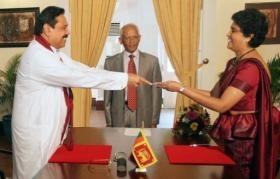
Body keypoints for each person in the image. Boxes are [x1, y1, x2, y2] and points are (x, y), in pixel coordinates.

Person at [12, 6, 150, 179]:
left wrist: (125, 77)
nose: (68, 32)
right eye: (64, 28)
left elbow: (86, 71)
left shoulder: (54, 54)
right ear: (47, 29)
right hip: (37, 137)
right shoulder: (38, 57)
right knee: (38, 174)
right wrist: (124, 79)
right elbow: (78, 77)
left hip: (49, 132)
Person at [157, 9, 279, 179]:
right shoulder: (235, 62)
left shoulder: (250, 68)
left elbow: (222, 104)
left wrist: (181, 89)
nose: (228, 33)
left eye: (234, 30)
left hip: (244, 136)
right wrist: (179, 86)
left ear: (249, 36)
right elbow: (215, 95)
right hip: (234, 132)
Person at [104, 23, 162, 128]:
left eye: (135, 37)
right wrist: (109, 121)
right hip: (119, 114)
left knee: (141, 143)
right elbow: (107, 95)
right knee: (120, 143)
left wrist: (154, 120)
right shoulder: (110, 63)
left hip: (144, 114)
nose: (131, 41)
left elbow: (156, 93)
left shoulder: (152, 62)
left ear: (139, 38)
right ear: (121, 40)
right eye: (127, 38)